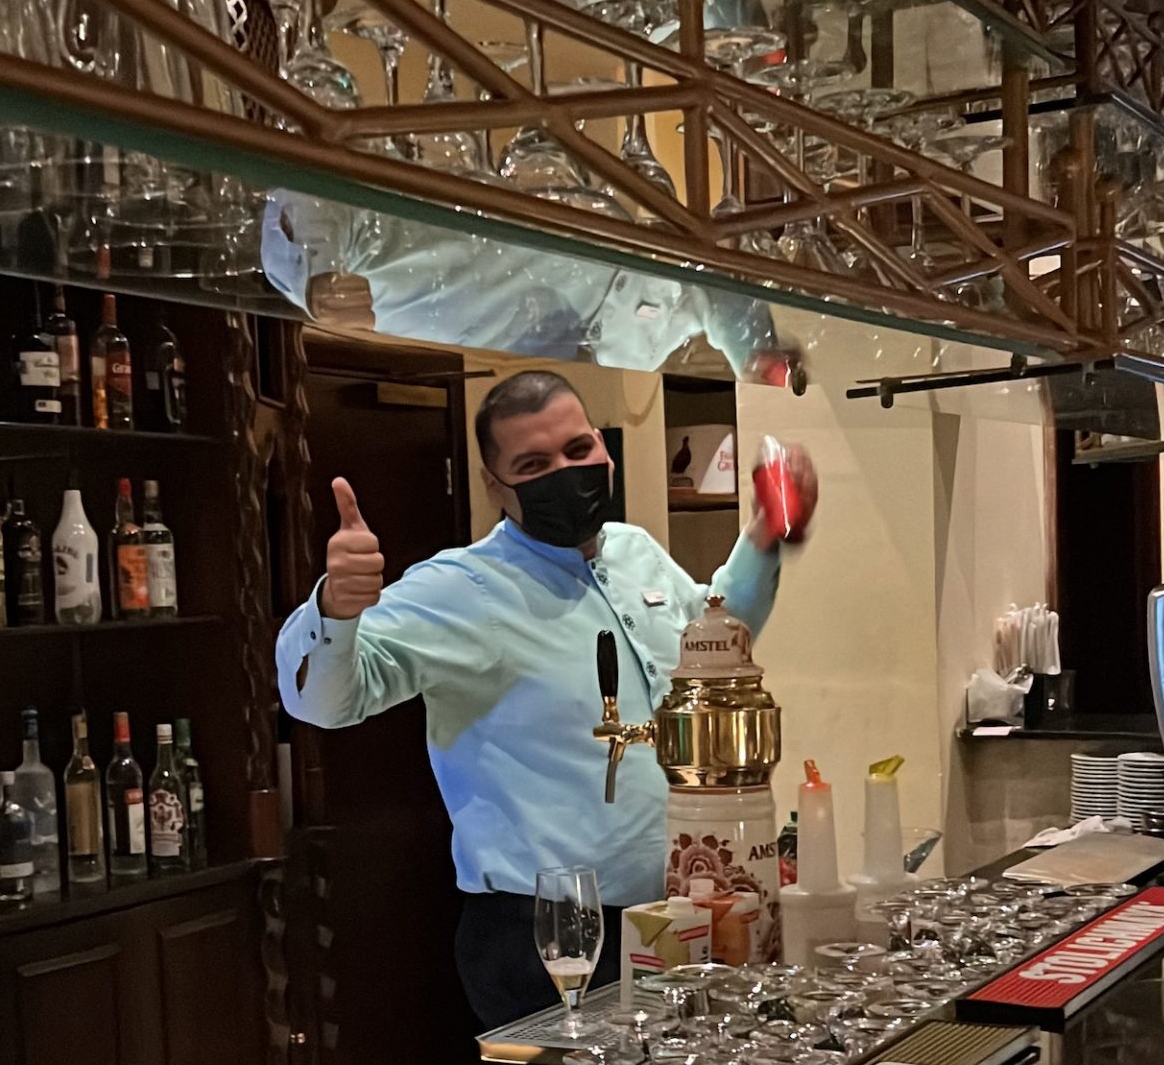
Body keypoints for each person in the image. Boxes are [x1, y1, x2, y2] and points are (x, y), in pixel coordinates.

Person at [276, 370, 816, 1029]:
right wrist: (336, 609)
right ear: (493, 485)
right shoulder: (462, 589)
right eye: (533, 464)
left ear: (603, 449)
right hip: (545, 940)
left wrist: (764, 535)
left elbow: (716, 643)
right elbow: (324, 701)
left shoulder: (635, 552)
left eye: (577, 450)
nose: (565, 472)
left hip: (673, 917)